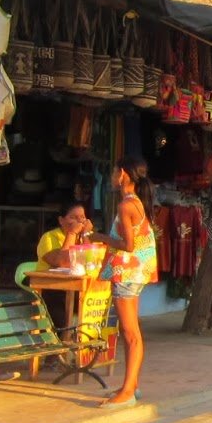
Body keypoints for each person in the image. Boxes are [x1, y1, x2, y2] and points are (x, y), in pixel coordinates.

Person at [89, 158, 156, 406]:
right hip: (135, 272)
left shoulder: (127, 206)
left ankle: (127, 392)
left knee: (130, 334)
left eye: (115, 171)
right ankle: (131, 385)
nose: (112, 176)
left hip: (127, 273)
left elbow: (128, 245)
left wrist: (100, 237)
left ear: (124, 175)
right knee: (131, 332)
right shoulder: (135, 203)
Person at [36, 202, 95, 270]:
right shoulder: (49, 237)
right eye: (73, 217)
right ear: (61, 220)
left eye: (82, 217)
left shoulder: (88, 235)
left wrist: (85, 235)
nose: (79, 221)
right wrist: (72, 233)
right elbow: (64, 262)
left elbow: (91, 262)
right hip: (51, 280)